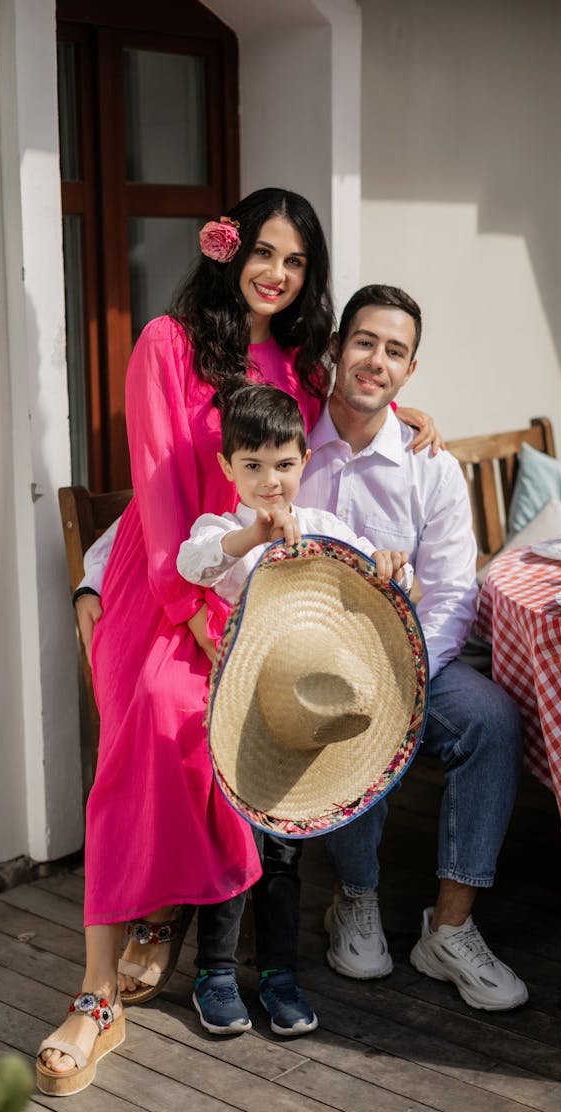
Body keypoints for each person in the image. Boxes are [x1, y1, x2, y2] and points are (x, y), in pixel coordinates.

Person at [76, 282, 528, 1015]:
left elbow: (450, 593)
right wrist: (95, 575)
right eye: (365, 342)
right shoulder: (283, 435)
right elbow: (175, 507)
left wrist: (402, 679)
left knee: (493, 720)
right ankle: (349, 900)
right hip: (282, 664)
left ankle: (450, 925)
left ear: (412, 369)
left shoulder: (428, 461)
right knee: (287, 722)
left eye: (395, 350)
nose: (377, 361)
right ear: (335, 351)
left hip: (410, 657)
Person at [37, 187, 338, 1096]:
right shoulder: (166, 345)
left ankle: (164, 913)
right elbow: (163, 495)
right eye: (265, 253)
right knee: (159, 718)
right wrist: (200, 620)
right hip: (168, 576)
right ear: (228, 248)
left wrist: (412, 425)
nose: (278, 275)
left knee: (259, 724)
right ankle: (96, 997)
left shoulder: (301, 367)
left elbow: (310, 465)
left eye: (296, 262)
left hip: (255, 588)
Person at [174, 381, 411, 1038]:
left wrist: (395, 566)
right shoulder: (221, 529)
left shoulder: (327, 529)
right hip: (239, 718)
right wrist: (250, 533)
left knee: (282, 852)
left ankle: (278, 971)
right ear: (228, 468)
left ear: (304, 460)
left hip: (294, 722)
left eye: (283, 464)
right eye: (252, 465)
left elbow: (374, 574)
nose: (269, 480)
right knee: (231, 843)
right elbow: (190, 563)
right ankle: (215, 970)